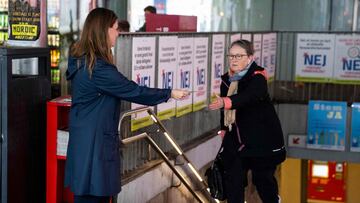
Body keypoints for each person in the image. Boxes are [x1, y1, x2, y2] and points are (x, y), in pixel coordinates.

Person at [64, 8, 189, 203]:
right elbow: (133, 90)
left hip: (86, 143)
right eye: (115, 28)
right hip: (94, 148)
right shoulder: (97, 68)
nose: (118, 32)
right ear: (103, 31)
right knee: (93, 197)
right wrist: (169, 93)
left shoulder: (83, 61)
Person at [209, 39, 286, 203]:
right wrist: (223, 129)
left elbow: (249, 97)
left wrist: (226, 101)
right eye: (231, 56)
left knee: (262, 180)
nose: (234, 59)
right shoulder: (227, 80)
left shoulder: (258, 77)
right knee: (234, 182)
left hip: (261, 140)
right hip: (236, 138)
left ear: (250, 58)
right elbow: (225, 111)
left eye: (239, 56)